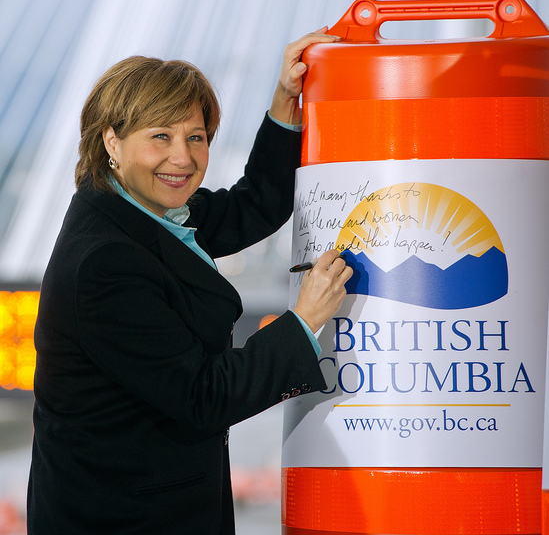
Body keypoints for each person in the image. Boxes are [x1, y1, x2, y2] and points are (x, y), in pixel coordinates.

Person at [27, 29, 352, 534]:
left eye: (195, 137)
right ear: (112, 140)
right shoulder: (105, 263)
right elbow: (204, 395)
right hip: (122, 519)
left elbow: (253, 205)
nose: (183, 158)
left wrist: (285, 104)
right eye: (161, 136)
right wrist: (305, 320)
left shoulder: (140, 211)